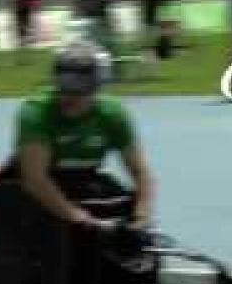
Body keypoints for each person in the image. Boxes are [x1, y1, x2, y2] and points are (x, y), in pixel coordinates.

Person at [9, 39, 155, 237]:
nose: (69, 96)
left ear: (97, 87)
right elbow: (36, 180)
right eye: (64, 85)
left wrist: (142, 216)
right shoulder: (35, 113)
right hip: (37, 188)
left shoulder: (112, 113)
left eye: (79, 88)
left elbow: (141, 173)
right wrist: (78, 217)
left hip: (85, 181)